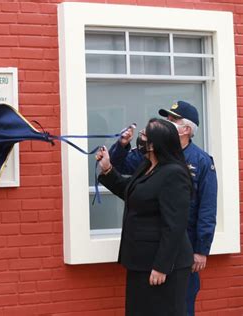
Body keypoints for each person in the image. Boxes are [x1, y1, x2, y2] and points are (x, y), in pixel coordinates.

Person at [108, 101, 217, 315]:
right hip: (156, 248)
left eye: (173, 120)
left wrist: (201, 250)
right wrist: (122, 146)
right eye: (167, 119)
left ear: (186, 129)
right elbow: (123, 170)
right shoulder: (151, 158)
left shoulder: (201, 161)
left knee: (180, 306)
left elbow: (207, 207)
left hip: (182, 246)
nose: (168, 122)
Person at [96, 118, 194, 316]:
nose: (140, 139)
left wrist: (161, 266)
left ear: (155, 144)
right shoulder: (147, 166)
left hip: (162, 266)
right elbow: (130, 192)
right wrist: (108, 170)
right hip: (140, 261)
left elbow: (174, 226)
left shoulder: (174, 174)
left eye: (144, 136)